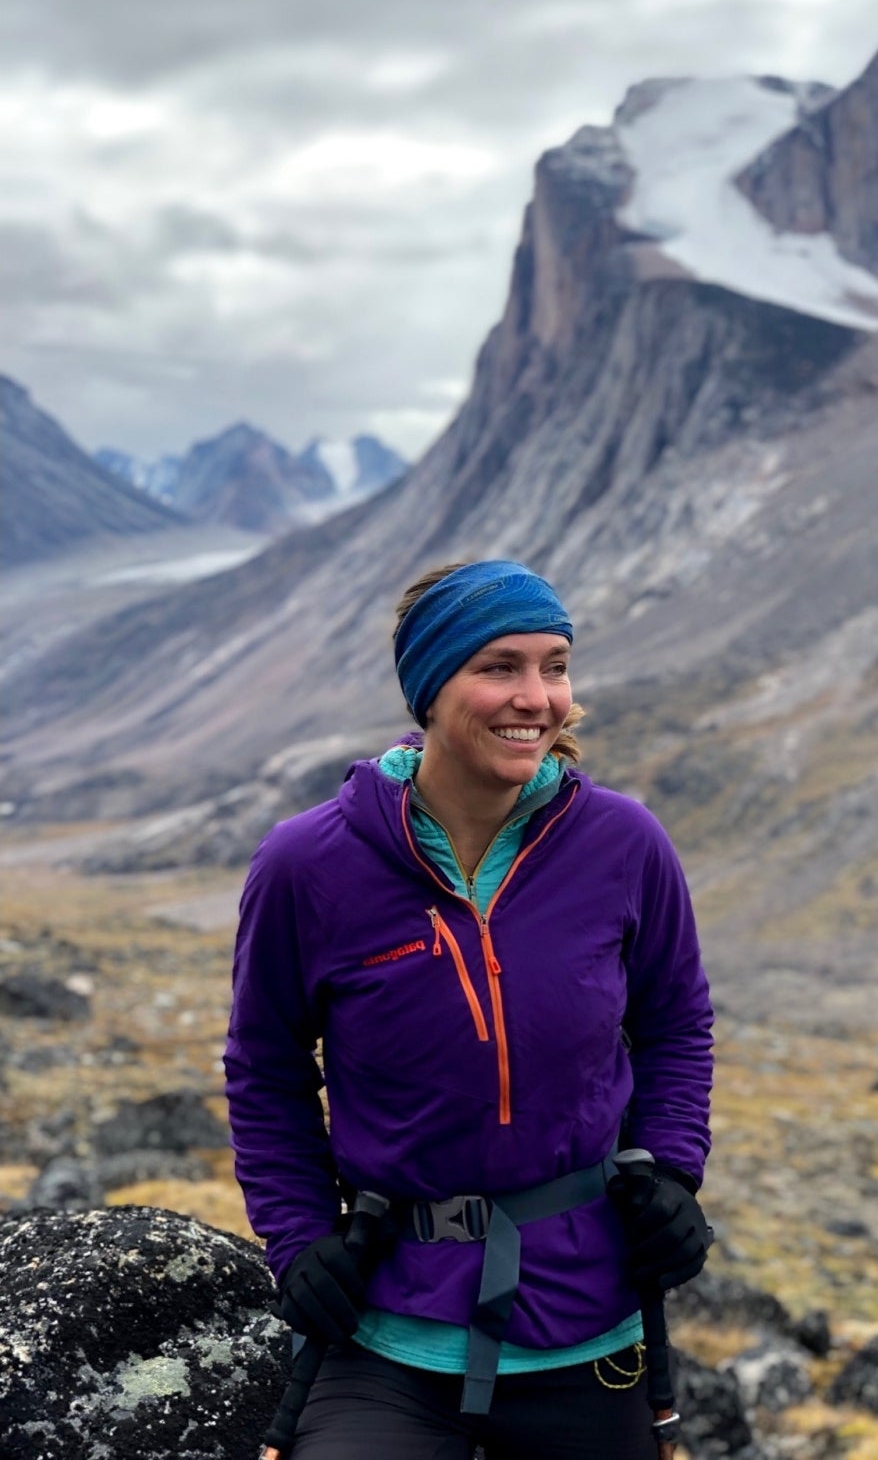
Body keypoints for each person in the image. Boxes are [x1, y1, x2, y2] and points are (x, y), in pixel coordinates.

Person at [224, 559, 714, 1460]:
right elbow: (267, 1072)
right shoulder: (307, 865)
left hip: (589, 1327)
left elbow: (676, 1023)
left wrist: (673, 1171)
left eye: (555, 666)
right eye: (499, 667)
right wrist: (298, 1242)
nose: (537, 697)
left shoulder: (624, 844)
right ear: (430, 687)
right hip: (385, 1334)